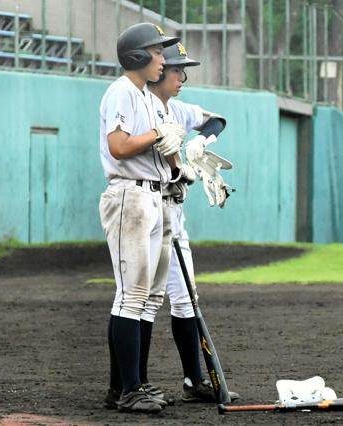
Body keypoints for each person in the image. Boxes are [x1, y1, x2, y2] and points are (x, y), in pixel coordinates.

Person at [98, 22, 184, 414]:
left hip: (153, 197)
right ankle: (128, 388)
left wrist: (180, 170)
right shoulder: (121, 91)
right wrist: (156, 135)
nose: (163, 59)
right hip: (128, 198)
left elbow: (159, 143)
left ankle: (133, 385)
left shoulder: (146, 96)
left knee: (149, 298)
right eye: (157, 51)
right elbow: (119, 147)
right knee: (130, 296)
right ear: (137, 56)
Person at [148, 42, 239, 403]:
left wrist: (202, 140)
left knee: (186, 298)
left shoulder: (181, 109)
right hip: (147, 210)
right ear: (157, 72)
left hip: (175, 214)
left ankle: (193, 381)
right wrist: (179, 170)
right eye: (176, 71)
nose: (183, 77)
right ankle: (132, 384)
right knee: (142, 301)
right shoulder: (142, 108)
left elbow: (217, 120)